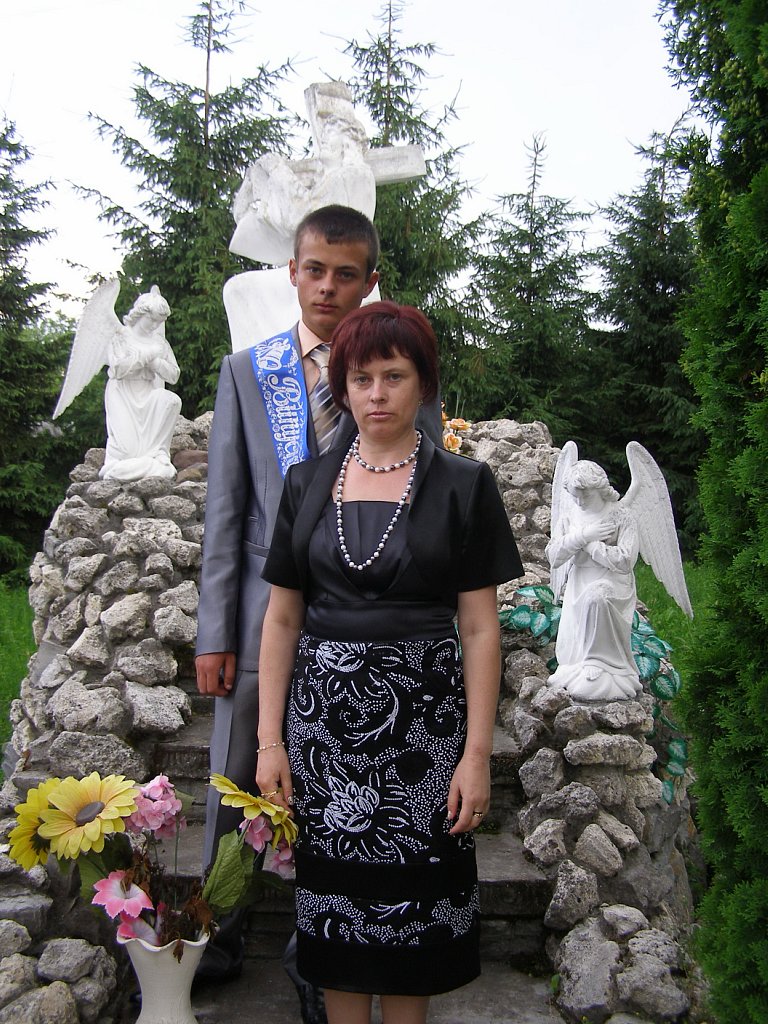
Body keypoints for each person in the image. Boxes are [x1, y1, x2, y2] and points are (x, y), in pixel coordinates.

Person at [195, 207, 443, 1005]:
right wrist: (212, 630)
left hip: (361, 627)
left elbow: (426, 495)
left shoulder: (397, 374)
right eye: (314, 270)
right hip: (259, 619)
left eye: (346, 274)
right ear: (292, 273)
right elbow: (227, 511)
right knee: (237, 776)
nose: (328, 287)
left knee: (344, 790)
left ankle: (321, 952)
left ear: (371, 281)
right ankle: (215, 933)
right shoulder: (248, 372)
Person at [256, 301, 523, 1024]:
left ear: (424, 384)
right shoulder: (306, 484)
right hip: (324, 743)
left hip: (424, 743)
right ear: (341, 387)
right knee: (337, 922)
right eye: (361, 378)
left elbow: (480, 631)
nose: (377, 394)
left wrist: (476, 757)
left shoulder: (465, 485)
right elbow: (281, 620)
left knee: (416, 928)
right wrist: (270, 743)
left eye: (394, 376)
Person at [546, 458, 641, 700]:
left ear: (599, 489)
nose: (579, 502)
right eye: (575, 496)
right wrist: (582, 536)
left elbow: (625, 561)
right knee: (573, 648)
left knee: (597, 597)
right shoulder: (570, 515)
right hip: (579, 580)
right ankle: (579, 665)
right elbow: (554, 556)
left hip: (612, 582)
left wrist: (592, 547)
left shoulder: (621, 515)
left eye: (585, 496)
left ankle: (600, 662)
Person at [100, 285, 181, 481]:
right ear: (140, 314)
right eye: (151, 319)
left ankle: (157, 453)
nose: (154, 325)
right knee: (127, 452)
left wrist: (156, 363)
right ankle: (120, 466)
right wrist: (146, 356)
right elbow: (118, 369)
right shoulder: (121, 337)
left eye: (159, 321)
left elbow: (173, 375)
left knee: (171, 400)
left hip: (148, 390)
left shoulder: (160, 343)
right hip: (123, 392)